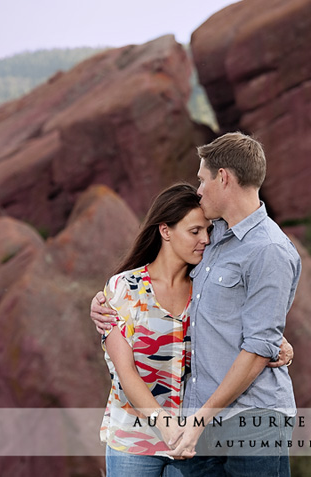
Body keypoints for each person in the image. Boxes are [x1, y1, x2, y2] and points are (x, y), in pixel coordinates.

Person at [93, 132, 300, 476]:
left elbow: (259, 339)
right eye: (195, 232)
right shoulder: (216, 236)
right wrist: (102, 302)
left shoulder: (268, 249)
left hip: (244, 420)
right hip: (181, 428)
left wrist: (275, 345)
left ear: (224, 178)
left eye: (203, 179)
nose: (199, 189)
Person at [100, 183, 208, 476]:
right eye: (195, 231)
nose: (205, 239)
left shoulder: (206, 290)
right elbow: (125, 372)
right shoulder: (124, 288)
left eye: (208, 231)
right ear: (165, 231)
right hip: (133, 443)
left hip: (190, 446)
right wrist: (165, 425)